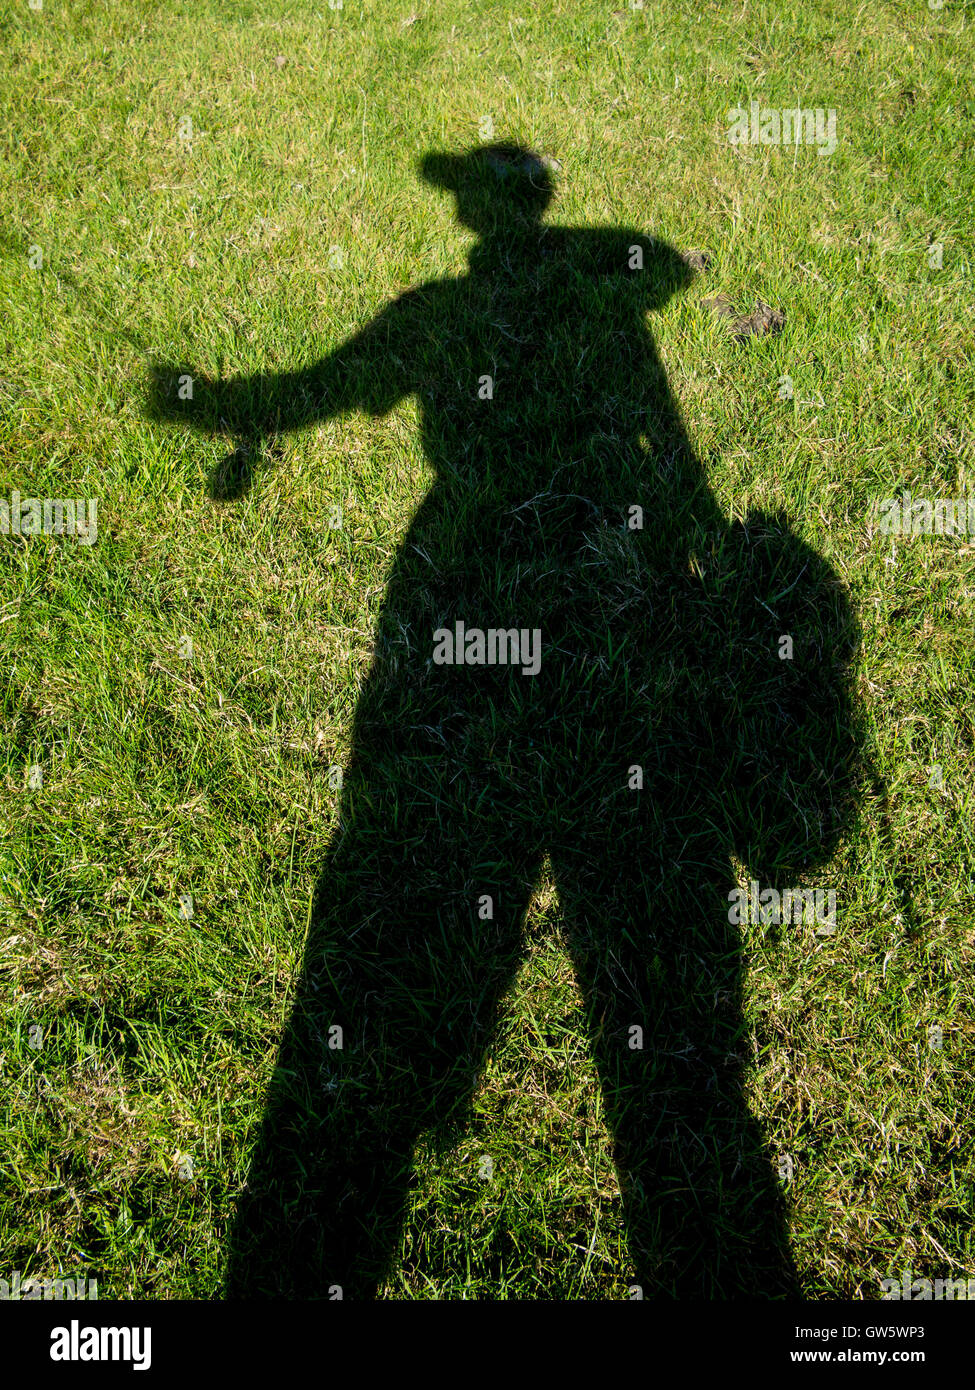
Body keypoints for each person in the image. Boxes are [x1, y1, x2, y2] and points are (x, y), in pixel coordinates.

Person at [151, 143, 861, 1297]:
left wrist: (220, 407)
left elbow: (314, 391)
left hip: (472, 597)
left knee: (395, 947)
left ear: (486, 212)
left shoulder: (455, 311)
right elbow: (670, 466)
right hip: (594, 619)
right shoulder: (597, 315)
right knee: (673, 1044)